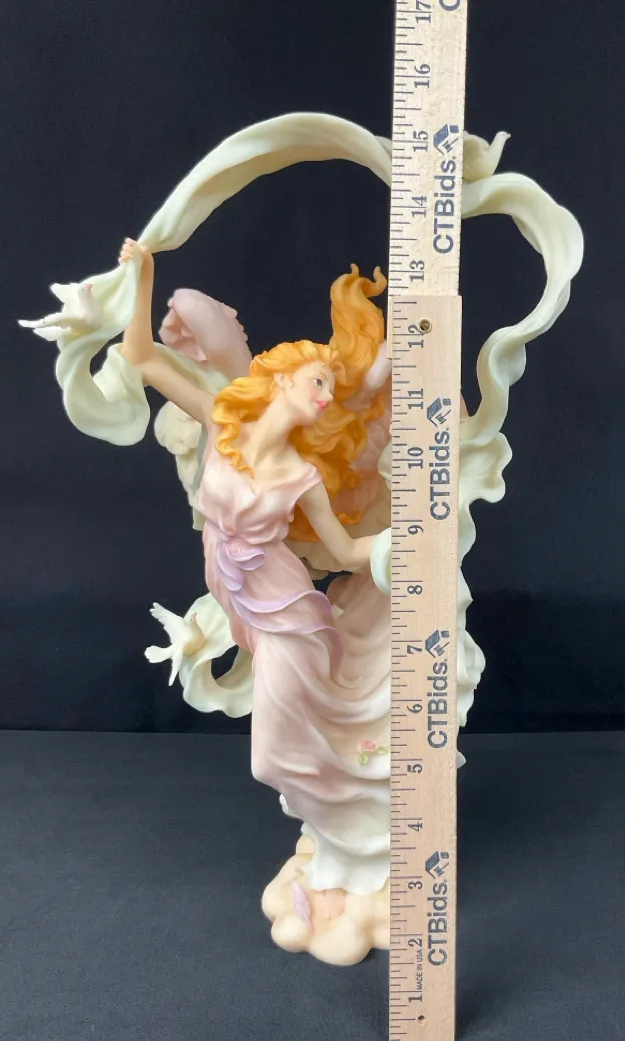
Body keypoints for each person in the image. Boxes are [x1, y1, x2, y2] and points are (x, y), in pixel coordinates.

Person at [118, 240, 392, 921]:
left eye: (330, 387)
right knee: (290, 746)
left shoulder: (303, 477)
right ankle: (346, 852)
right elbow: (142, 356)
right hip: (240, 601)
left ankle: (364, 840)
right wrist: (143, 277)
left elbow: (345, 551)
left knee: (269, 758)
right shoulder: (222, 421)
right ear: (281, 379)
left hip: (286, 611)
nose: (326, 397)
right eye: (318, 382)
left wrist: (406, 543)